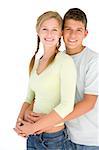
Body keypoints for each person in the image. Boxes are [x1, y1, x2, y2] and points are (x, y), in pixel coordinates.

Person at [20, 8, 99, 150]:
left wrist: (44, 123)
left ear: (86, 33)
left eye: (79, 30)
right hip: (65, 133)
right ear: (62, 32)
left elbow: (89, 103)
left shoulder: (93, 61)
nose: (73, 35)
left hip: (88, 139)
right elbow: (42, 93)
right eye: (68, 29)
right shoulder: (55, 59)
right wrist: (26, 115)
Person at [14, 11, 77, 150]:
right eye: (45, 29)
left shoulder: (65, 62)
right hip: (32, 137)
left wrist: (34, 127)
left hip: (54, 139)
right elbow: (29, 98)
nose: (49, 34)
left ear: (60, 33)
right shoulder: (36, 62)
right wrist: (19, 122)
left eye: (54, 30)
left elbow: (67, 105)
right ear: (38, 31)